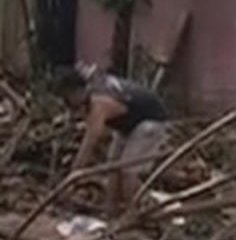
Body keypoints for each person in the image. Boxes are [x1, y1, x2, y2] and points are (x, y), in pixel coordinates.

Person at [59, 63, 170, 217]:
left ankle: (137, 214)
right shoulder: (93, 90)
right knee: (112, 168)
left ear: (77, 91)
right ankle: (110, 214)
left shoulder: (99, 102)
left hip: (151, 121)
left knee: (127, 171)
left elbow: (90, 143)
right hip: (129, 124)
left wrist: (72, 178)